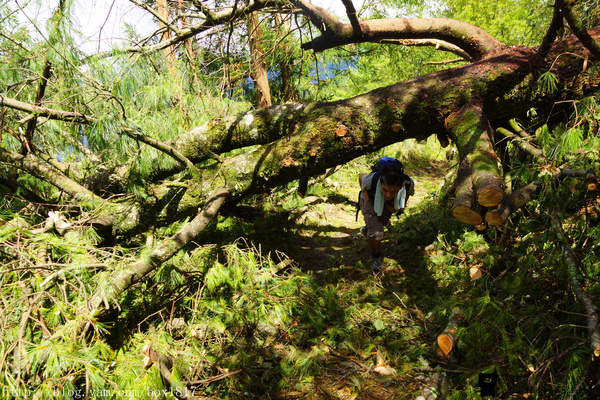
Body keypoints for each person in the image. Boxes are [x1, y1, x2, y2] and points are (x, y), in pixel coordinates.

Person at [358, 158, 414, 270]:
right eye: (385, 190)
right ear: (381, 183)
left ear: (400, 187)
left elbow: (407, 195)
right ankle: (376, 258)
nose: (388, 194)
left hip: (385, 205)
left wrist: (399, 207)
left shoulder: (408, 184)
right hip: (369, 199)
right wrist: (368, 203)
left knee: (381, 222)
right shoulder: (373, 179)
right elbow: (361, 177)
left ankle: (368, 229)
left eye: (393, 191)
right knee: (377, 231)